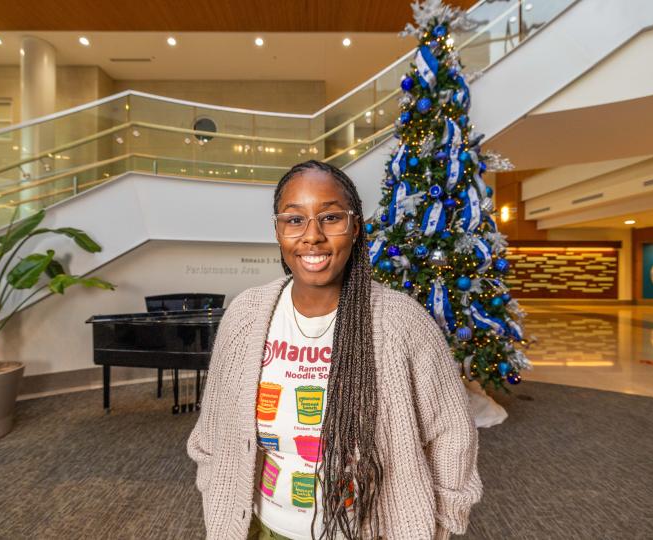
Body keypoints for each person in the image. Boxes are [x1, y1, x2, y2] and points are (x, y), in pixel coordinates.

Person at [187, 160, 482, 540]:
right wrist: (216, 493)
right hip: (259, 528)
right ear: (278, 231)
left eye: (330, 218)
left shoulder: (401, 323)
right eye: (294, 220)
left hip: (366, 531)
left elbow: (452, 435)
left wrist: (441, 524)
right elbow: (212, 429)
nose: (312, 236)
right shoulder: (245, 316)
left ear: (355, 227)